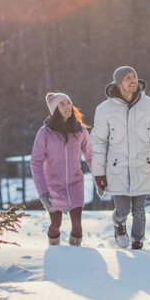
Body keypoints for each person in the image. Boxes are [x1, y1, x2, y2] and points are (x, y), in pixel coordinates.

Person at [91, 66, 150, 249]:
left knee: (139, 211)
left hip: (143, 165)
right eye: (127, 77)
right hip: (116, 167)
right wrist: (98, 173)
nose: (133, 79)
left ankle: (138, 242)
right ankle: (119, 224)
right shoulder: (104, 109)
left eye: (134, 76)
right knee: (123, 210)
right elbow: (98, 142)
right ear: (119, 83)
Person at [31, 92, 92, 246]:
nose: (67, 107)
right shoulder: (44, 133)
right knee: (55, 226)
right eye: (62, 104)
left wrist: (99, 179)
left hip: (75, 183)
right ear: (54, 109)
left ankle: (76, 255)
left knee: (77, 227)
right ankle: (54, 249)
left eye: (68, 103)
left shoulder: (80, 131)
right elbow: (36, 163)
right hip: (53, 187)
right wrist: (43, 193)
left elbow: (91, 156)